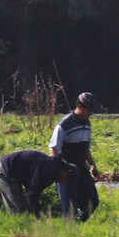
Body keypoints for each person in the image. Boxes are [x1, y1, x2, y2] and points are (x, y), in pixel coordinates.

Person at [48, 92, 100, 221]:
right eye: (89, 110)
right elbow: (53, 148)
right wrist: (60, 169)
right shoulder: (64, 124)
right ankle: (70, 231)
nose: (91, 114)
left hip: (82, 168)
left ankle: (79, 224)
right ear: (80, 107)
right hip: (67, 169)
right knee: (70, 208)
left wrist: (92, 164)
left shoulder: (87, 124)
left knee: (92, 201)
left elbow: (85, 147)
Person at [0, 150, 76, 217]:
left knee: (24, 209)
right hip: (6, 170)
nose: (63, 182)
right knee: (17, 209)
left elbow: (33, 192)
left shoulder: (52, 172)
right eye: (66, 179)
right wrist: (38, 216)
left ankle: (26, 229)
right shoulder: (47, 169)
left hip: (15, 173)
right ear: (64, 171)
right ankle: (18, 231)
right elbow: (32, 195)